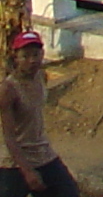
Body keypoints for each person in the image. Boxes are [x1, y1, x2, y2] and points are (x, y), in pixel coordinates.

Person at [0, 31, 73, 196]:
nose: (32, 60)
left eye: (36, 54)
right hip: (14, 162)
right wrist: (27, 172)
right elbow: (9, 137)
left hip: (43, 154)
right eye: (25, 56)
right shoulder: (8, 90)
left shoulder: (41, 76)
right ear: (16, 58)